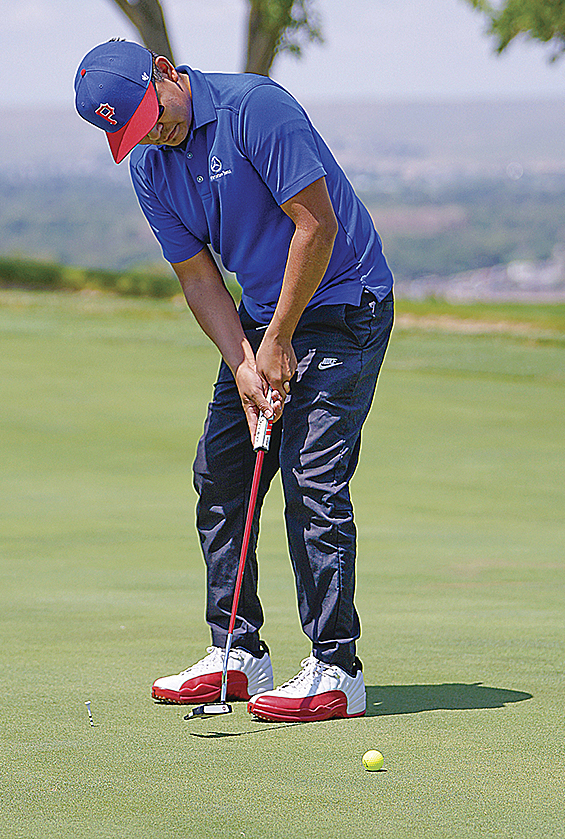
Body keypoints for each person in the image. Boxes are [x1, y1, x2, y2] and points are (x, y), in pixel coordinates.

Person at [74, 39, 394, 722]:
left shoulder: (257, 109)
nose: (152, 132)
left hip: (343, 303)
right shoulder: (151, 167)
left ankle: (338, 669)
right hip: (258, 317)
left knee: (312, 478)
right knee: (221, 472)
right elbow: (196, 275)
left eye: (150, 113)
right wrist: (245, 362)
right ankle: (239, 651)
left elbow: (317, 226)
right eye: (132, 132)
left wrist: (277, 340)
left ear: (165, 71)